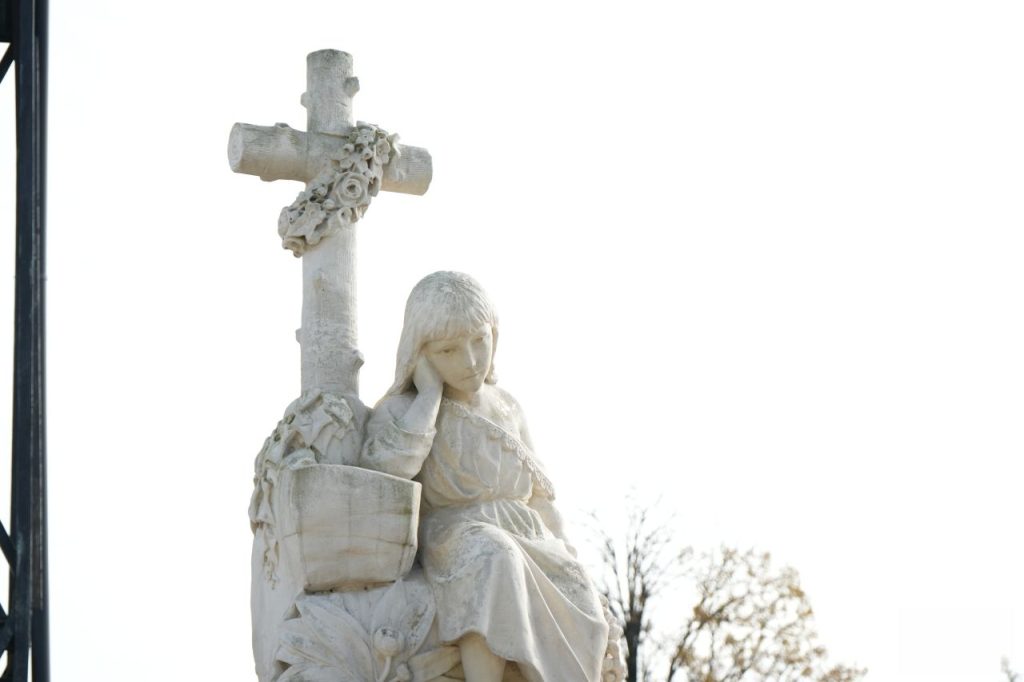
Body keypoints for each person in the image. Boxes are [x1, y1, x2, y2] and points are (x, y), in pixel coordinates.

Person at [360, 271, 608, 682]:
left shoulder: (507, 407)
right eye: (449, 350)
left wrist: (564, 549)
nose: (471, 360)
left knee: (578, 587)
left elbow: (540, 494)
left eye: (480, 340)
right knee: (495, 558)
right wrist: (428, 399)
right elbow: (385, 474)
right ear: (420, 354)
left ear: (495, 333)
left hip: (526, 532)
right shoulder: (402, 411)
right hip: (456, 535)